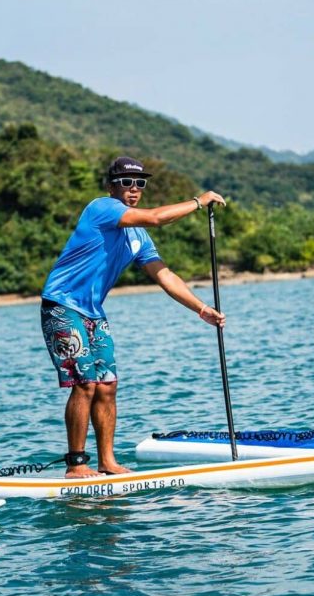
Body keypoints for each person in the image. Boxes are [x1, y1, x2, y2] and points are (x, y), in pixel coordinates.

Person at [41, 156, 227, 478]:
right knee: (85, 384)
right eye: (126, 182)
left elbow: (164, 275)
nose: (133, 189)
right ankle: (76, 464)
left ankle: (107, 462)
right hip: (63, 306)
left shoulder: (138, 236)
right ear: (111, 185)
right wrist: (199, 202)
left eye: (139, 183)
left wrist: (200, 307)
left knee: (107, 386)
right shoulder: (102, 208)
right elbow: (156, 217)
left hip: (94, 312)